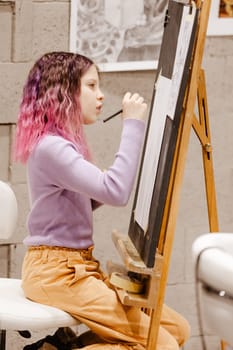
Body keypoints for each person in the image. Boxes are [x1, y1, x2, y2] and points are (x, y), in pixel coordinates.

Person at [13, 51, 190, 350]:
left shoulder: (60, 143)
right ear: (66, 92)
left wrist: (102, 185)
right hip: (57, 273)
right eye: (92, 86)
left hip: (76, 267)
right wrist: (133, 125)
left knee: (177, 328)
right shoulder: (52, 147)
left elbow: (87, 200)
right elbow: (116, 192)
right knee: (163, 344)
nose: (101, 96)